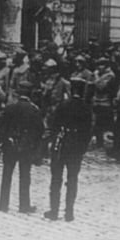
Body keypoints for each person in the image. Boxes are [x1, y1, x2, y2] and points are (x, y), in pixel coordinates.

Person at [44, 77, 93, 221]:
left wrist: (53, 143)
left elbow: (54, 125)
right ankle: (69, 213)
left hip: (61, 145)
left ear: (71, 90)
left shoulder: (63, 105)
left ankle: (54, 211)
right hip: (76, 148)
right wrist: (82, 149)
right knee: (72, 179)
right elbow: (88, 132)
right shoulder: (86, 108)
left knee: (56, 179)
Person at [0, 87, 43, 213]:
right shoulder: (34, 109)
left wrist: (4, 139)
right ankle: (24, 205)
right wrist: (34, 145)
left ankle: (3, 204)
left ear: (17, 94)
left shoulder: (10, 108)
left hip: (10, 144)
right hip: (26, 146)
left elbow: (0, 125)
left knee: (6, 175)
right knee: (25, 175)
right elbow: (39, 130)